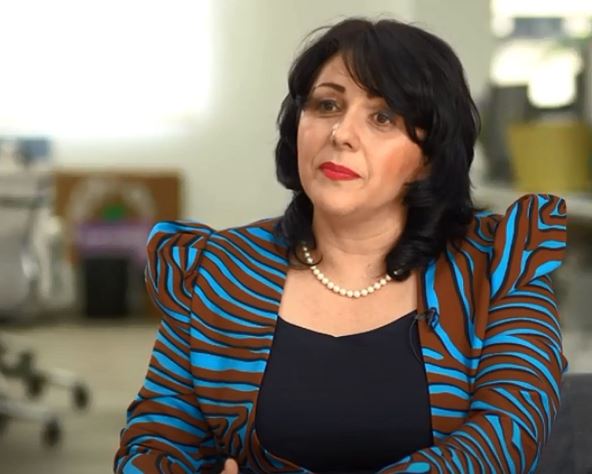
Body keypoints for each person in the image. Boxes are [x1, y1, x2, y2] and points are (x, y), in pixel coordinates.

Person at [114, 17, 567, 474]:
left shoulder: (498, 266)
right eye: (327, 105)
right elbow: (154, 445)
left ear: (429, 157)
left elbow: (504, 439)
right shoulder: (217, 271)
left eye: (382, 117)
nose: (341, 133)